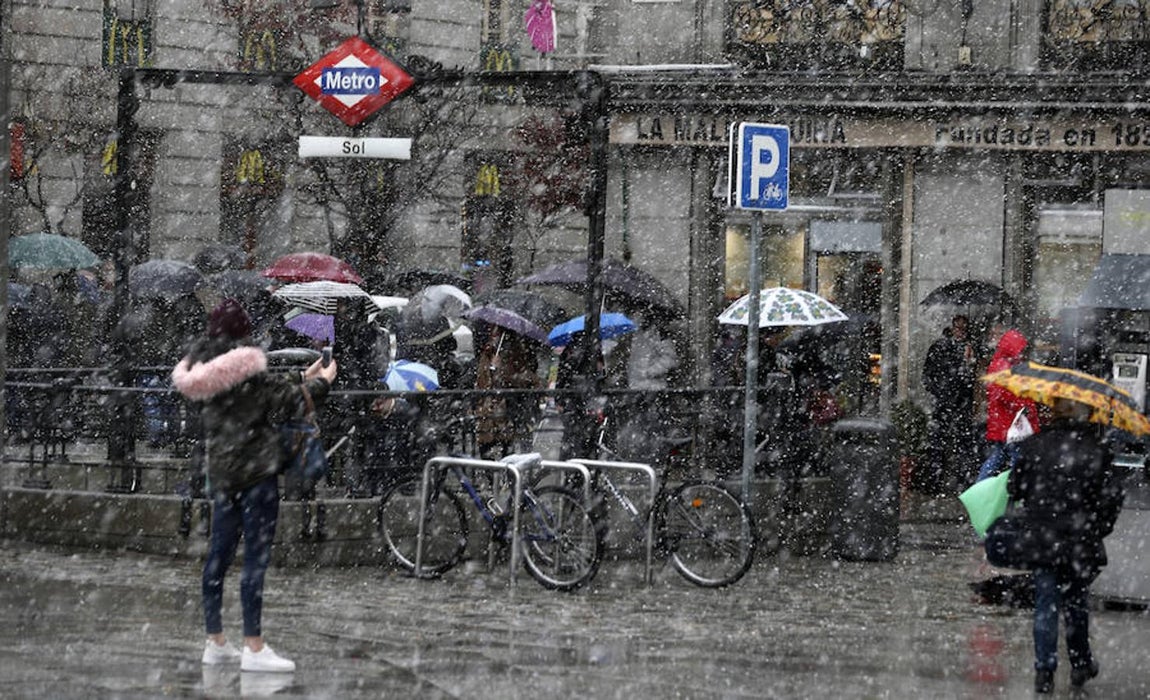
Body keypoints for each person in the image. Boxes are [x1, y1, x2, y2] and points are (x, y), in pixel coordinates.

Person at [171, 298, 337, 673]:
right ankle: (254, 646)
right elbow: (285, 402)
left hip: (222, 476)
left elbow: (258, 393)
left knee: (218, 557)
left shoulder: (201, 372)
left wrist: (301, 377)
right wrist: (321, 383)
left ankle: (215, 641)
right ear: (241, 333)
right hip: (256, 474)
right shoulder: (246, 367)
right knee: (254, 562)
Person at [1007, 397, 1125, 693]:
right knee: (1075, 604)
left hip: (1042, 539)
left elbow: (1015, 487)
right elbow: (1112, 497)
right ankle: (1081, 663)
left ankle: (1044, 670)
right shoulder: (1097, 450)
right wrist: (1098, 527)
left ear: (1054, 411)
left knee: (1045, 603)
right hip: (1079, 540)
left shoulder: (1034, 445)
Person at [920, 315, 976, 493]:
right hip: (944, 402)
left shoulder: (969, 348)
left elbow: (969, 378)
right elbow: (927, 375)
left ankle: (962, 481)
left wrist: (968, 362)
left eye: (964, 329)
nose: (961, 332)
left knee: (962, 442)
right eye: (958, 328)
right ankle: (935, 481)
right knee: (938, 442)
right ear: (952, 328)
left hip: (961, 402)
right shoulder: (940, 347)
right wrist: (939, 392)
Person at [977, 327, 1038, 482]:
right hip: (1010, 423)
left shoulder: (1004, 364)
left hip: (1005, 423)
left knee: (999, 456)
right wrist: (1022, 406)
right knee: (1016, 459)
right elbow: (1004, 394)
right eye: (1020, 349)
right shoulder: (1004, 366)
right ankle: (1017, 488)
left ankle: (980, 486)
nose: (1023, 352)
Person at [474, 327, 542, 459]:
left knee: (507, 448)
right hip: (488, 409)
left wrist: (501, 370)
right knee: (486, 447)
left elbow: (523, 377)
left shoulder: (516, 353)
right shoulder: (488, 352)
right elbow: (482, 379)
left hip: (507, 409)